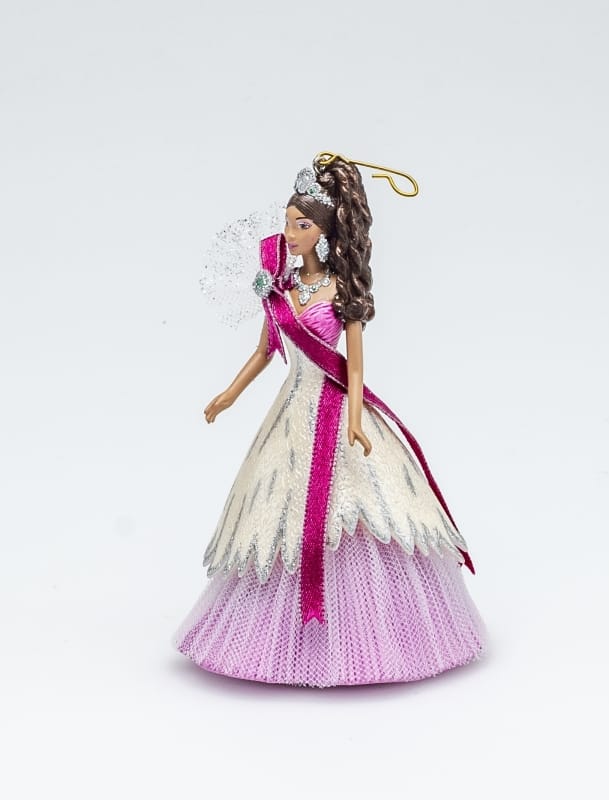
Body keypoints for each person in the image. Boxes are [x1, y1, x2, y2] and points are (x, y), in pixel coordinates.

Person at [174, 153, 487, 687]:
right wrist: (228, 394)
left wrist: (357, 418)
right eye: (287, 223)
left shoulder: (340, 290)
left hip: (337, 404)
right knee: (279, 512)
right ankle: (274, 638)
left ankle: (378, 633)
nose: (290, 234)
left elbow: (356, 364)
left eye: (302, 225)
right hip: (292, 409)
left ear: (323, 231)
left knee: (363, 508)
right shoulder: (280, 291)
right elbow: (264, 351)